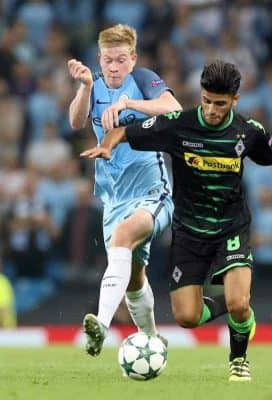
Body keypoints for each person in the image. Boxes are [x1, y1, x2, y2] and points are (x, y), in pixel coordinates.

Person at [81, 60, 272, 381]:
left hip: (230, 227)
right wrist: (107, 146)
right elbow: (124, 130)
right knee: (187, 317)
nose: (211, 109)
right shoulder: (177, 125)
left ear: (234, 101)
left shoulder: (247, 131)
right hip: (189, 231)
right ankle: (237, 305)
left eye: (220, 104)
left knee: (240, 304)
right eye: (207, 100)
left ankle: (238, 359)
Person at [67, 24, 182, 356]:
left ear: (132, 59)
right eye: (107, 61)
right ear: (99, 60)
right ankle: (152, 338)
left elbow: (173, 109)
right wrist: (85, 87)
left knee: (122, 238)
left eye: (120, 60)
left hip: (153, 192)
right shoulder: (96, 86)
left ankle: (100, 325)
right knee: (133, 278)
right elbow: (76, 122)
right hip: (113, 198)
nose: (114, 67)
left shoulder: (144, 80)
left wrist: (131, 103)